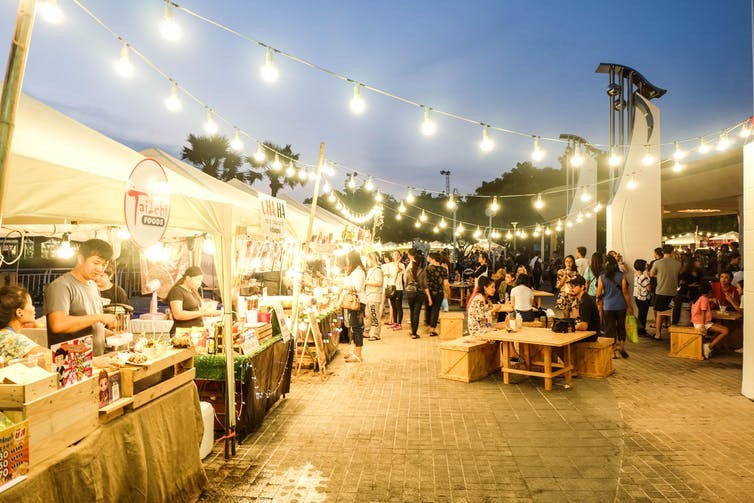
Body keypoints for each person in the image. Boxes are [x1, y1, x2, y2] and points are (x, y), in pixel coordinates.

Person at [44, 239, 117, 355]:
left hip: (95, 360)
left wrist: (109, 333)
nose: (100, 269)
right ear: (81, 259)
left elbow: (88, 325)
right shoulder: (61, 286)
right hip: (71, 364)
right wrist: (99, 317)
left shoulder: (93, 285)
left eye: (104, 264)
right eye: (96, 263)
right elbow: (58, 324)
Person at [167, 266, 221, 334]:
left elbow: (198, 311)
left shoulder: (193, 291)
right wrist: (202, 313)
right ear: (188, 278)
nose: (199, 283)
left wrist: (217, 312)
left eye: (201, 281)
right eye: (197, 280)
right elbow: (178, 314)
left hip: (197, 332)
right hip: (183, 333)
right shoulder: (177, 291)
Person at [597, 255, 633, 358]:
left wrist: (599, 305)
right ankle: (622, 346)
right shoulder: (621, 275)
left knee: (610, 329)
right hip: (621, 305)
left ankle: (613, 352)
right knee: (621, 326)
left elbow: (598, 294)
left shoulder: (602, 277)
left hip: (608, 306)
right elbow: (625, 292)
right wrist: (629, 306)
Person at [0, 285, 48, 361]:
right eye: (31, 304)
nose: (33, 308)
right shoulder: (13, 340)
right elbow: (52, 357)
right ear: (19, 312)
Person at [649, 244, 681, 339]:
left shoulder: (657, 263)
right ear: (672, 252)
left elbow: (651, 274)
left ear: (662, 252)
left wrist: (660, 276)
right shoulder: (678, 264)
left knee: (660, 313)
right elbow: (679, 276)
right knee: (673, 313)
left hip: (661, 291)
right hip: (673, 291)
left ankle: (658, 334)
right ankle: (673, 334)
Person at [691, 282, 729, 359]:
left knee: (720, 329)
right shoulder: (704, 299)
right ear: (709, 291)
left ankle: (708, 344)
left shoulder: (698, 297)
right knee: (725, 331)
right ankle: (709, 346)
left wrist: (711, 300)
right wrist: (702, 326)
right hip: (702, 323)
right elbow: (703, 313)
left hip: (697, 322)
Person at [343, 250, 366, 362]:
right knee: (354, 327)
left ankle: (358, 354)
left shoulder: (359, 272)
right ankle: (355, 351)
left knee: (357, 329)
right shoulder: (355, 271)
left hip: (357, 302)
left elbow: (356, 287)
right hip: (354, 302)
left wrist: (344, 286)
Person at [404, 248, 428, 339]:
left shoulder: (409, 270)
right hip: (419, 293)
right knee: (416, 313)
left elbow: (405, 280)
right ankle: (414, 333)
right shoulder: (422, 271)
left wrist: (407, 288)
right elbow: (424, 284)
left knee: (411, 311)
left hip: (410, 292)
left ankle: (412, 330)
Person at [425, 252, 450, 337]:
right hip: (439, 292)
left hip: (429, 292)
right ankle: (432, 329)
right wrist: (447, 292)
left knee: (428, 309)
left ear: (433, 259)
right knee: (435, 310)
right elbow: (446, 284)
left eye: (429, 257)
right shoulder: (443, 269)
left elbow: (425, 283)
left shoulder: (427, 269)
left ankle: (428, 326)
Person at [569, 276, 599, 342]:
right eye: (570, 286)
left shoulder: (585, 301)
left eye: (574, 286)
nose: (571, 289)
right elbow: (576, 319)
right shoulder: (581, 299)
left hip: (590, 336)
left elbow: (584, 326)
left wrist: (570, 328)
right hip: (586, 334)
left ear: (582, 287)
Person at [364, 252, 384, 341]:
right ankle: (366, 332)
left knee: (374, 315)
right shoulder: (371, 270)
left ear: (372, 259)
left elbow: (379, 283)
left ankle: (376, 334)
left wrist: (367, 283)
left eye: (368, 260)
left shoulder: (378, 270)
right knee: (368, 315)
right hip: (369, 295)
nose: (367, 262)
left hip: (374, 296)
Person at [387, 251, 405, 330]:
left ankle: (399, 323)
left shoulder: (402, 265)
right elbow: (388, 274)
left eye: (397, 255)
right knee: (393, 306)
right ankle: (394, 322)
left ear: (400, 256)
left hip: (398, 288)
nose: (396, 256)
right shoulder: (389, 265)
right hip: (391, 287)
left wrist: (397, 262)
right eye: (394, 254)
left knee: (399, 306)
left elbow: (398, 270)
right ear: (392, 256)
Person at [633, 259, 651, 336]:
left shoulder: (636, 274)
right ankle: (641, 331)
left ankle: (639, 330)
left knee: (641, 314)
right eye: (645, 264)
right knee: (643, 315)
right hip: (643, 298)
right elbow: (648, 288)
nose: (646, 266)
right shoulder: (643, 276)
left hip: (637, 297)